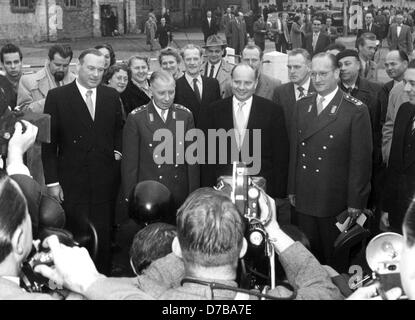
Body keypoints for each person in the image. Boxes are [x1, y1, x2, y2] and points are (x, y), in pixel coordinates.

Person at [33, 188, 343, 300]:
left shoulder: (151, 293)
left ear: (177, 249)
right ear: (243, 250)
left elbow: (145, 283)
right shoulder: (279, 297)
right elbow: (321, 285)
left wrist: (89, 283)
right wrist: (272, 228)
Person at [41, 48, 123, 275]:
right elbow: (49, 145)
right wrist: (52, 183)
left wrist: (117, 154)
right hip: (71, 184)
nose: (96, 74)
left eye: (101, 69)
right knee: (76, 239)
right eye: (91, 68)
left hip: (103, 183)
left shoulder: (111, 96)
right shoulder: (58, 97)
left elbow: (118, 130)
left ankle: (102, 282)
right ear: (78, 67)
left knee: (103, 239)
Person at [288, 52, 373, 266]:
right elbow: (295, 151)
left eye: (323, 74)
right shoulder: (302, 105)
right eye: (314, 74)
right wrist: (292, 188)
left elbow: (360, 160)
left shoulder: (355, 109)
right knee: (306, 257)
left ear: (336, 73)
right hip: (305, 195)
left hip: (334, 199)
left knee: (333, 259)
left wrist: (356, 201)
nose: (317, 79)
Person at [199, 64, 289, 204]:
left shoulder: (272, 111)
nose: (241, 87)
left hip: (260, 189)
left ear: (256, 83)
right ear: (230, 81)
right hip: (222, 190)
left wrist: (276, 192)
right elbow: (207, 154)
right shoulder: (214, 110)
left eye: (247, 83)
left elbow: (280, 155)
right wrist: (208, 188)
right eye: (237, 82)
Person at [121, 70, 200, 213]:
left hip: (179, 194)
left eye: (171, 92)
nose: (167, 98)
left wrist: (193, 195)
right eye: (161, 93)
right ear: (151, 90)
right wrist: (131, 198)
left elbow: (192, 161)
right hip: (149, 195)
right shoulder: (137, 118)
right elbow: (130, 166)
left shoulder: (185, 115)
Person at [17, 45, 76, 187]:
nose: (61, 69)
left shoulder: (76, 81)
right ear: (48, 60)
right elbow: (24, 112)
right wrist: (54, 99)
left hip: (68, 148)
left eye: (65, 65)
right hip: (39, 149)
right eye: (57, 64)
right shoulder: (28, 81)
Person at [337, 49, 383, 215]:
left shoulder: (376, 91)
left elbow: (381, 126)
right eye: (339, 65)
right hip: (340, 162)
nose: (343, 68)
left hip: (368, 160)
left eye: (347, 63)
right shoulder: (332, 92)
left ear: (358, 65)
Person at [383, 61, 415, 233]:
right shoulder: (404, 110)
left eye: (413, 84)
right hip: (399, 212)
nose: (407, 89)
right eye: (405, 82)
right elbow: (394, 164)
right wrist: (387, 207)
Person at [174, 44, 221, 125]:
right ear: (183, 60)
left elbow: (218, 113)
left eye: (195, 59)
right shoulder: (176, 86)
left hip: (210, 135)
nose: (192, 63)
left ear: (202, 59)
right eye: (188, 59)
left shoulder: (213, 84)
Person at [273, 48, 314, 140]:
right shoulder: (280, 92)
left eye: (297, 67)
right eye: (289, 67)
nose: (291, 71)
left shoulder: (319, 90)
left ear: (309, 67)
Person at [382, 53, 410, 165]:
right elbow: (389, 125)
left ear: (405, 64)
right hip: (399, 160)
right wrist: (388, 153)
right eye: (386, 65)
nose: (389, 68)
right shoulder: (395, 91)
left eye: (393, 64)